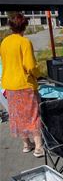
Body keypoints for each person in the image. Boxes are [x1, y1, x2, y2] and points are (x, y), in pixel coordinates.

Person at [0, 13, 44, 158]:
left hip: (10, 85)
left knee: (18, 116)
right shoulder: (24, 42)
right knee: (33, 115)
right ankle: (38, 147)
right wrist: (39, 74)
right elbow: (30, 66)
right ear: (24, 26)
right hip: (24, 85)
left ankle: (26, 144)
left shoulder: (4, 42)